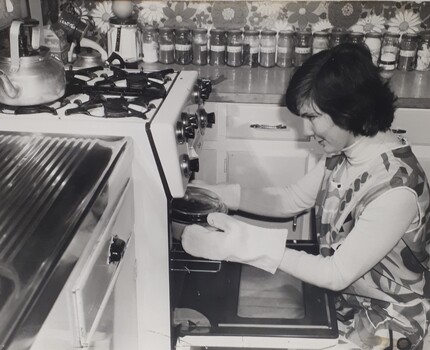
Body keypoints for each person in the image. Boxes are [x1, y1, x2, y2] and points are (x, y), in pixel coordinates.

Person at [181, 43, 430, 350]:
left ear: (349, 109)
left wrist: (246, 244)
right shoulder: (347, 153)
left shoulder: (395, 190)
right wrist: (213, 192)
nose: (306, 130)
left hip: (390, 321)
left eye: (313, 117)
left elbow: (335, 274)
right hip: (345, 302)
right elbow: (291, 200)